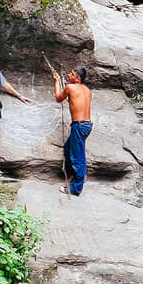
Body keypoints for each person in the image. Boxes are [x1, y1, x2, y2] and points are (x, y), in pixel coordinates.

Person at [50, 62, 94, 196]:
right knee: (69, 148)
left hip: (79, 126)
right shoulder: (87, 90)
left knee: (78, 158)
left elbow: (58, 98)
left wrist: (56, 81)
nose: (69, 75)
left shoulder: (70, 87)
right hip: (86, 125)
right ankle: (73, 174)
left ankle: (75, 188)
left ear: (78, 78)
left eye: (72, 74)